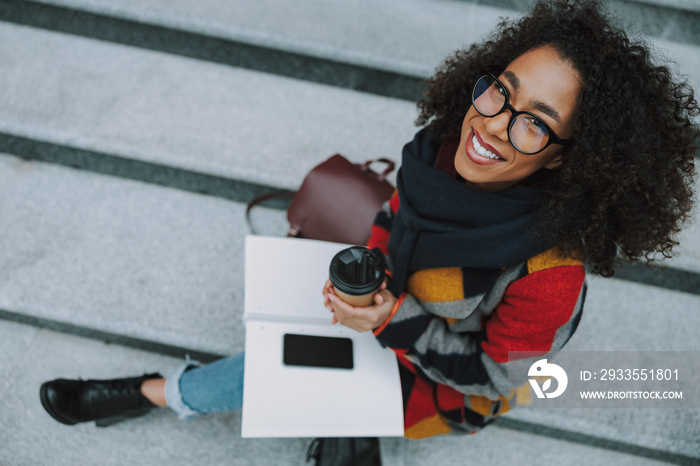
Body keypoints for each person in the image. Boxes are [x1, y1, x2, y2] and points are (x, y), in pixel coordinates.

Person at [40, 0, 697, 444]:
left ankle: (161, 392)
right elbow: (394, 211)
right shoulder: (442, 153)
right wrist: (374, 274)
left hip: (440, 384)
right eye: (502, 89)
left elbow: (494, 382)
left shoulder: (548, 276)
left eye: (535, 124)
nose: (493, 125)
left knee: (278, 373)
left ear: (568, 159)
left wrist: (387, 318)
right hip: (387, 306)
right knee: (290, 344)